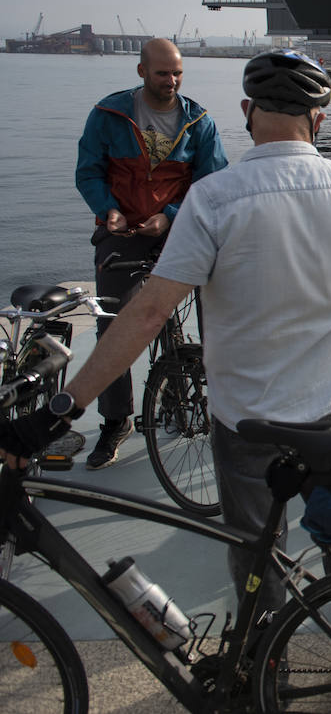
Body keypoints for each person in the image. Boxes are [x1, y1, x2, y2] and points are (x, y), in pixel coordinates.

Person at [48, 49, 331, 615]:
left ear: (247, 111)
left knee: (255, 550)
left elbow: (148, 314)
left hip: (245, 412)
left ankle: (264, 648)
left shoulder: (214, 198)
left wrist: (68, 403)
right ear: (319, 119)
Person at [74, 37, 229, 469]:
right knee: (112, 323)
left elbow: (212, 182)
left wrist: (171, 216)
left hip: (179, 230)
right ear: (141, 71)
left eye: (177, 73)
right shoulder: (108, 115)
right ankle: (115, 420)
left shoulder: (199, 121)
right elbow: (88, 172)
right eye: (162, 73)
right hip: (122, 232)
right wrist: (109, 211)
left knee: (218, 309)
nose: (172, 81)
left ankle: (217, 397)